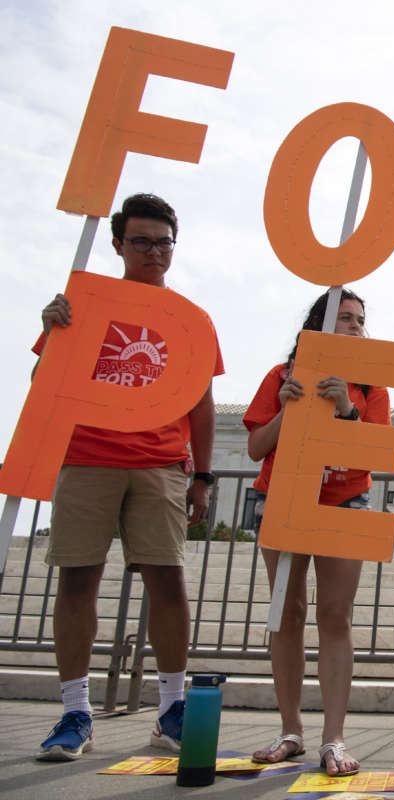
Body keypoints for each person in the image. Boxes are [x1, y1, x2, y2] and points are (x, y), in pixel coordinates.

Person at [35, 194, 223, 760]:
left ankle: (170, 709)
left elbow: (202, 404)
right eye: (141, 241)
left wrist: (204, 475)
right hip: (88, 455)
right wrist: (52, 329)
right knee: (77, 581)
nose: (154, 252)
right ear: (118, 245)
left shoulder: (189, 319)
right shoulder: (82, 307)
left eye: (164, 241)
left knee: (168, 582)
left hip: (160, 462)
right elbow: (46, 378)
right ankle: (75, 711)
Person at [243, 289, 389, 777]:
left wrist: (347, 408)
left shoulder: (372, 384)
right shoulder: (281, 376)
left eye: (359, 319)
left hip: (346, 498)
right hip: (283, 497)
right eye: (344, 317)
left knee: (335, 615)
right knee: (286, 611)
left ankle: (333, 738)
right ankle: (290, 730)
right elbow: (254, 447)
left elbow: (374, 455)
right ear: (319, 324)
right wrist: (286, 412)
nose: (353, 326)